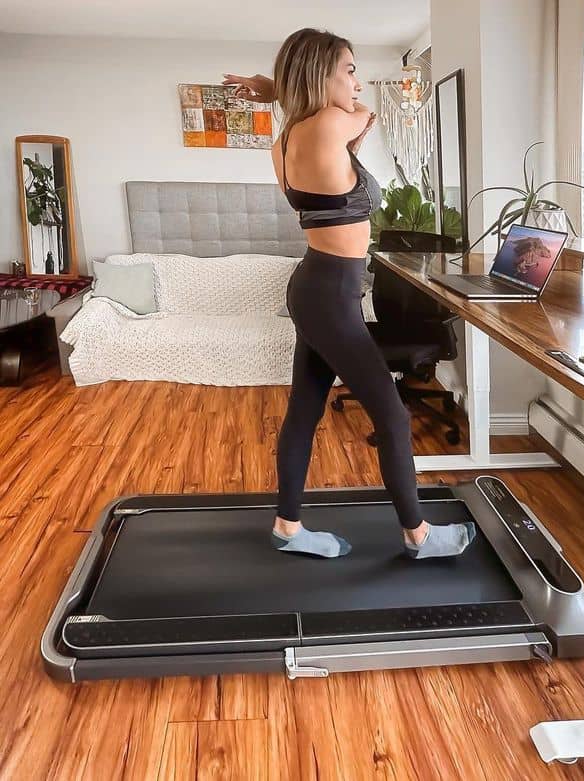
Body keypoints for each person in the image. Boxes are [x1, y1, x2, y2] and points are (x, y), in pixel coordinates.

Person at [224, 28, 474, 560]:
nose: (357, 83)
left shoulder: (286, 139)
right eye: (350, 70)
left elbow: (333, 123)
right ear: (322, 76)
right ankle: (418, 536)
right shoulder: (335, 122)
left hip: (316, 285)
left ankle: (287, 528)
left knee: (305, 408)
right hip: (330, 293)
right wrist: (284, 88)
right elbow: (369, 115)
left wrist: (279, 90)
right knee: (391, 413)